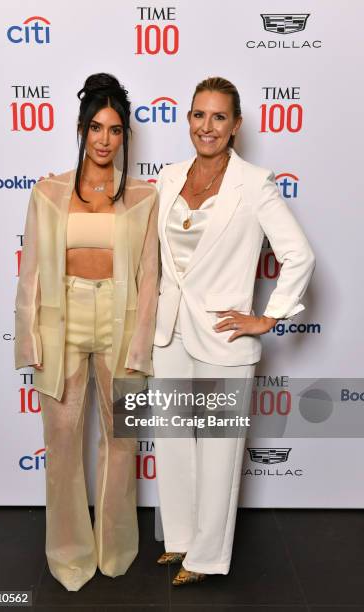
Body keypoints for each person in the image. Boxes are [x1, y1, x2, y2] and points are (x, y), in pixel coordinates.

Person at [152, 76, 315, 586]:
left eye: (219, 117)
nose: (208, 126)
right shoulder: (168, 176)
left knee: (220, 450)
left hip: (225, 337)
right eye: (199, 115)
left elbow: (299, 254)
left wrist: (268, 316)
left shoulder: (255, 184)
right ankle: (179, 539)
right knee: (174, 439)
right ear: (189, 120)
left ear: (236, 125)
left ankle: (206, 557)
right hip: (169, 330)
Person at [14, 73, 159, 591]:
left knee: (122, 440)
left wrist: (142, 345)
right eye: (96, 127)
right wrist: (28, 341)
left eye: (115, 130)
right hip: (65, 320)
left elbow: (150, 281)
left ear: (125, 137)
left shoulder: (144, 196)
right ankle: (70, 553)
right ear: (80, 129)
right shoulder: (48, 192)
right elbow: (30, 271)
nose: (104, 139)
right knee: (61, 440)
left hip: (119, 324)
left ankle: (116, 547)